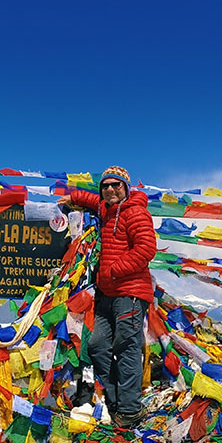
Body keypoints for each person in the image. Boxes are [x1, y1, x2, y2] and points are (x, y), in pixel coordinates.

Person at [58, 165, 156, 428]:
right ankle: (116, 403)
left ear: (126, 187)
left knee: (127, 349)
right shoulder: (107, 210)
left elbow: (147, 249)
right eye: (106, 185)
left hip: (130, 293)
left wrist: (113, 270)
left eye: (117, 185)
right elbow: (94, 200)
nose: (111, 189)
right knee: (97, 346)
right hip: (107, 295)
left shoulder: (135, 212)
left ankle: (130, 411)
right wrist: (75, 197)